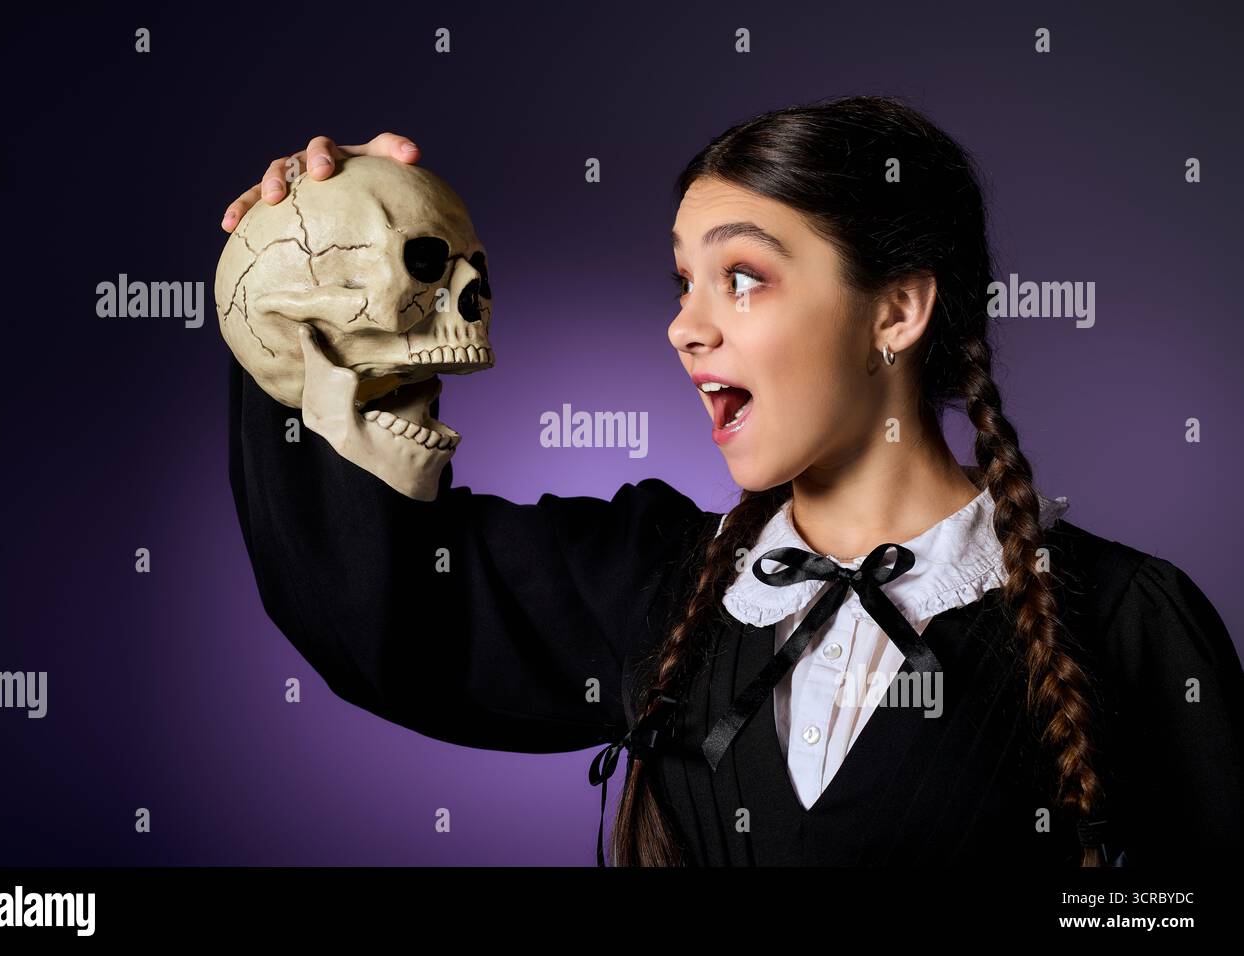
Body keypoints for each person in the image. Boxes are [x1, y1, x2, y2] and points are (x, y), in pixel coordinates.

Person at [222, 96, 1244, 867]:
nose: (685, 324)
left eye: (742, 276)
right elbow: (378, 609)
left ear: (896, 312)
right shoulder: (656, 580)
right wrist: (293, 278)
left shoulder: (1122, 620)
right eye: (682, 281)